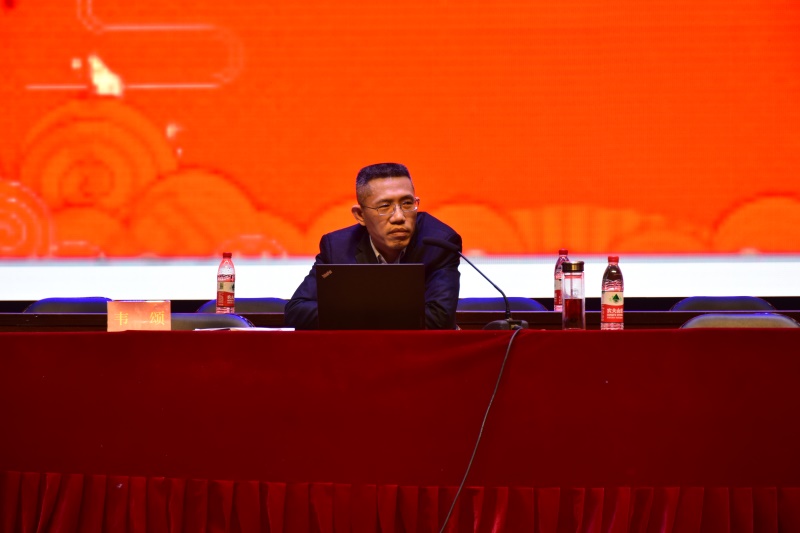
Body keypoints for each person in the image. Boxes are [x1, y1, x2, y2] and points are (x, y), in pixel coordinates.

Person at [285, 162, 462, 329]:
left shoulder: (440, 244)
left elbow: (439, 318)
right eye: (384, 206)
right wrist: (376, 315)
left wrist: (356, 314)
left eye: (407, 204)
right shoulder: (338, 247)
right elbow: (297, 311)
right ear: (360, 215)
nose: (399, 217)